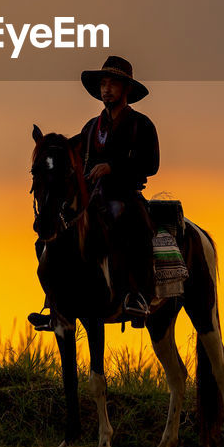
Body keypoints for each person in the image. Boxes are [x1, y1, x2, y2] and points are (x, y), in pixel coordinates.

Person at [30, 56, 159, 330]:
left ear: (126, 89)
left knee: (135, 225)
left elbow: (152, 164)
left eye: (113, 83)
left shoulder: (141, 125)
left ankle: (137, 295)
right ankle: (55, 302)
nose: (106, 89)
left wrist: (112, 167)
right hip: (94, 198)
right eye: (103, 84)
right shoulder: (90, 128)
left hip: (127, 195)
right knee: (53, 233)